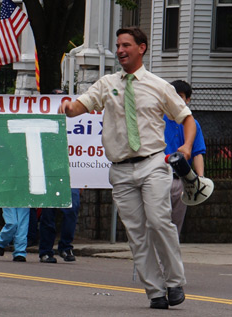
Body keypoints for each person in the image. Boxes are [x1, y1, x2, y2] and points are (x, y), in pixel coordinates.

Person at [58, 27, 193, 309]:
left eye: (126, 45)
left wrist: (187, 147)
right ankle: (155, 291)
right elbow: (81, 105)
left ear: (141, 48)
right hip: (120, 170)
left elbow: (187, 118)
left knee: (158, 221)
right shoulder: (107, 83)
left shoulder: (159, 85)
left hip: (153, 163)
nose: (120, 50)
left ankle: (174, 281)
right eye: (118, 45)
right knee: (136, 233)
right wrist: (69, 107)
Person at [164, 80, 206, 235]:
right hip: (159, 175)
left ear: (188, 100)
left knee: (175, 224)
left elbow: (198, 152)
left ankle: (169, 258)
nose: (176, 99)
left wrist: (200, 178)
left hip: (181, 180)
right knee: (157, 221)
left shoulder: (193, 124)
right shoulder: (158, 120)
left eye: (180, 96)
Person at [38, 188, 81, 263]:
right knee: (48, 213)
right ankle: (46, 251)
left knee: (72, 209)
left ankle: (65, 246)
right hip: (49, 181)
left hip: (71, 182)